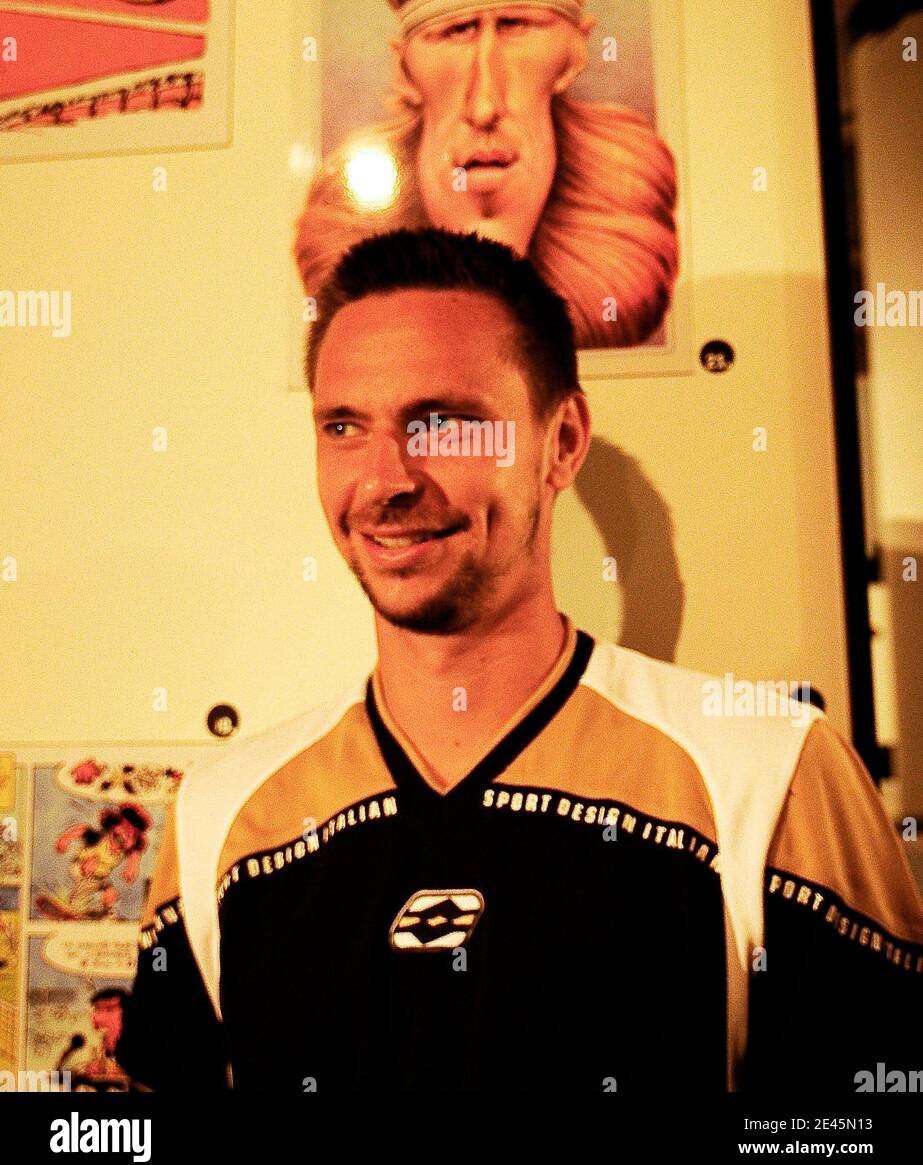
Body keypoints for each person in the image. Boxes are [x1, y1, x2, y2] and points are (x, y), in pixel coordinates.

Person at [116, 227, 922, 1092]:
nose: (385, 478)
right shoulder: (219, 814)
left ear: (562, 441)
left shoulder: (769, 770)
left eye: (444, 423)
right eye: (344, 425)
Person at [294, 0, 678, 350]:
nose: (484, 106)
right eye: (454, 32)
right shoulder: (340, 234)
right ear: (404, 65)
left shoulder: (627, 217)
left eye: (518, 26)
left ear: (575, 51)